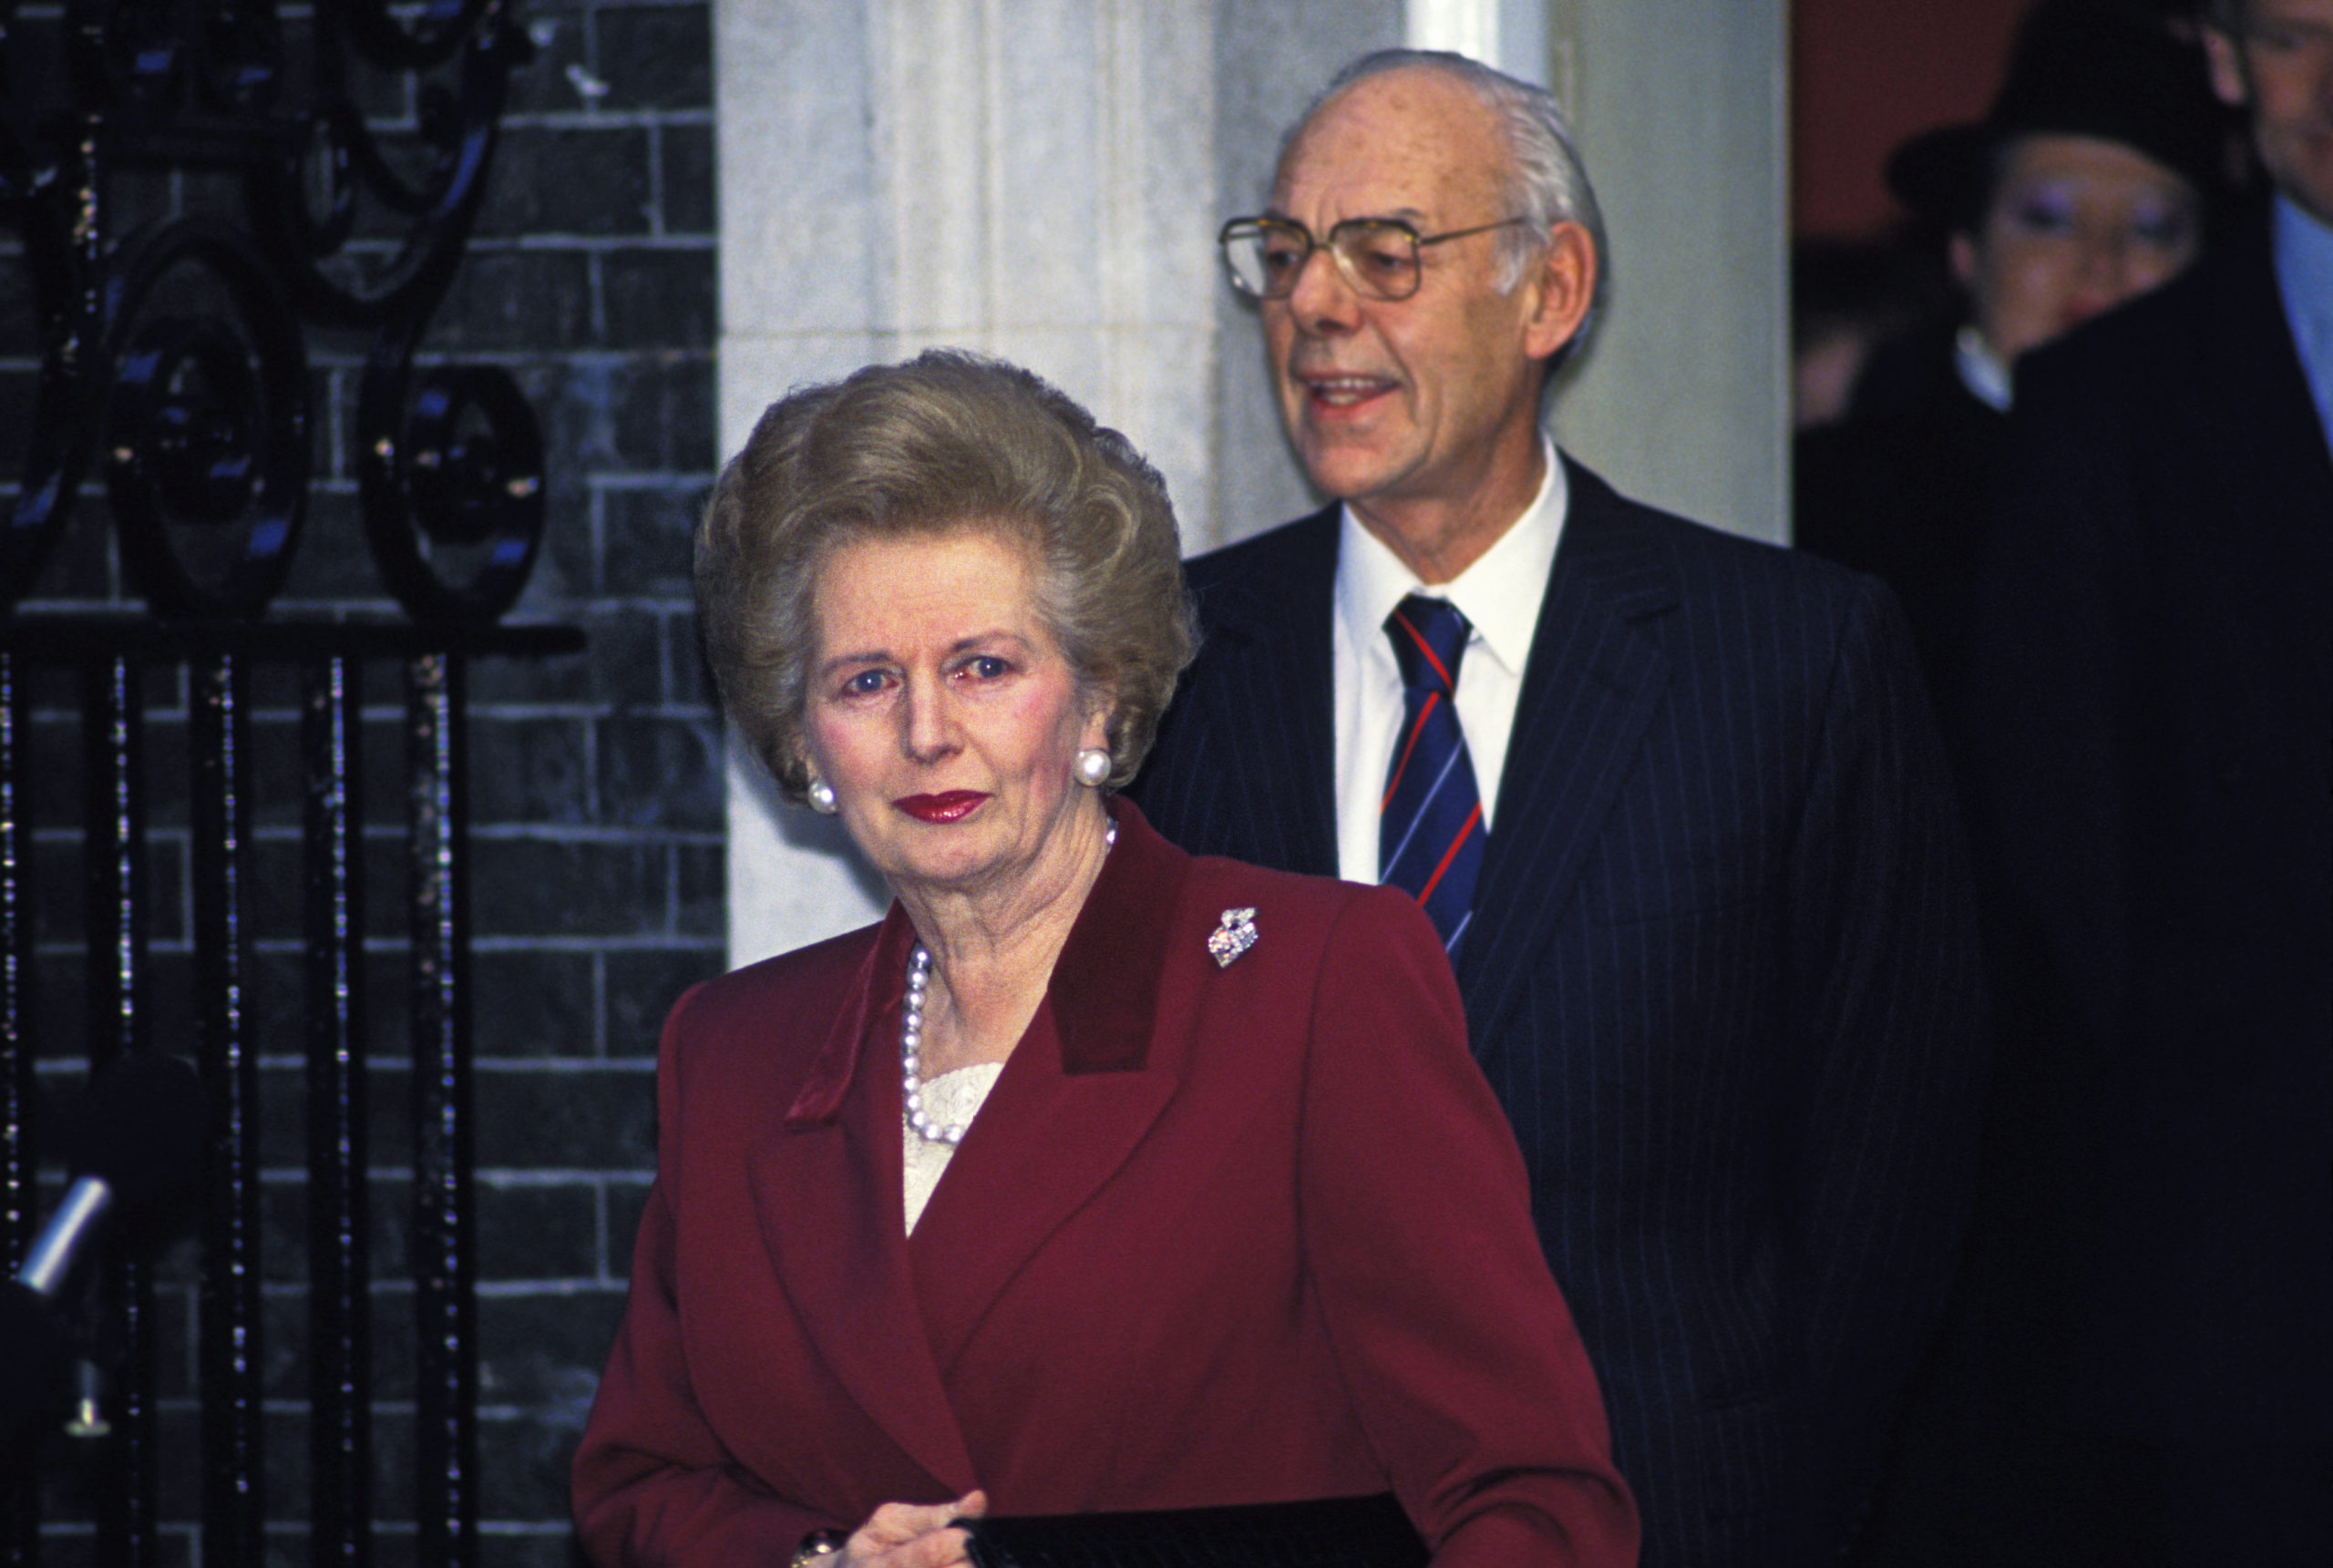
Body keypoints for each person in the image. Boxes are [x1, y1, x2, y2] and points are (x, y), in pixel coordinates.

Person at [1126, 49, 1985, 1568]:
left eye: (1384, 253)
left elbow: (1889, 1185)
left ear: (1551, 292)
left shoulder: (1792, 661)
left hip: (1671, 1510)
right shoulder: (1174, 662)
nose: (1317, 307)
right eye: (1284, 256)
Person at [570, 351, 1639, 1568]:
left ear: (1098, 698)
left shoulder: (1315, 987)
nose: (928, 732)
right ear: (804, 739)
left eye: (985, 666)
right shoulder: (734, 1052)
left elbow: (1533, 1502)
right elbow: (639, 1488)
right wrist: (818, 1562)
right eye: (866, 681)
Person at [1963, 0, 2332, 1561]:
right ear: (2234, 62)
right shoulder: (2107, 404)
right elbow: (2071, 842)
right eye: (2302, 36)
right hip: (2247, 1290)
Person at [1795, 0, 2233, 741]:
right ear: (1967, 248)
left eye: (2152, 228)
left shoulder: (2251, 495)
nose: (2100, 261)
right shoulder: (1838, 500)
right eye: (2050, 217)